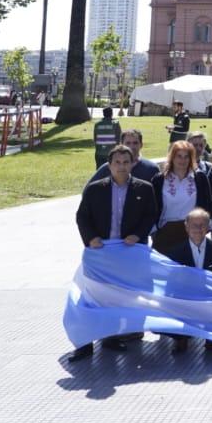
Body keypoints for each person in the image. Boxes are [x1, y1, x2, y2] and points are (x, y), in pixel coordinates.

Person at [70, 145, 157, 361]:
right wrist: (90, 238)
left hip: (128, 253)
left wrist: (138, 235)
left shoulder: (144, 189)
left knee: (119, 297)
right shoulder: (94, 189)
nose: (121, 166)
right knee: (92, 297)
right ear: (109, 165)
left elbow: (151, 215)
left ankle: (110, 338)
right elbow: (82, 216)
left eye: (126, 162)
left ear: (132, 164)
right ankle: (84, 343)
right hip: (100, 253)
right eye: (117, 162)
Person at [165, 207, 212, 352]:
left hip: (211, 297)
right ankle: (181, 337)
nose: (198, 229)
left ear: (208, 227)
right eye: (194, 225)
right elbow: (171, 284)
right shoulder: (175, 252)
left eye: (202, 225)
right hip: (186, 298)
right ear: (186, 227)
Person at [150, 140, 212, 253]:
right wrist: (154, 231)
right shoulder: (159, 179)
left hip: (192, 232)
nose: (182, 160)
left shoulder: (199, 178)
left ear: (191, 158)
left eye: (186, 157)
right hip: (165, 232)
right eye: (179, 156)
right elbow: (150, 207)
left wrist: (205, 227)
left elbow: (208, 204)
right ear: (172, 157)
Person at [89, 128, 159, 183]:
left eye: (135, 143)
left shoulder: (151, 169)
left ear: (141, 145)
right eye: (128, 143)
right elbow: (89, 191)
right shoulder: (107, 168)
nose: (131, 146)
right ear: (121, 145)